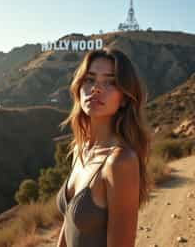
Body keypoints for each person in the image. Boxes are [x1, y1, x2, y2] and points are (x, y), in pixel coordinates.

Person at [56, 47, 152, 247]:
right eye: (90, 79)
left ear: (125, 97)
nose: (96, 88)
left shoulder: (120, 161)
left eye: (110, 82)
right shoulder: (80, 150)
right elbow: (69, 223)